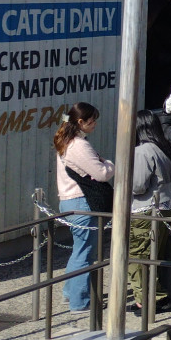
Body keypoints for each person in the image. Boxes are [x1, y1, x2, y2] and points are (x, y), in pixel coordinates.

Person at [55, 102, 114, 314]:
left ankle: (71, 292)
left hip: (70, 200)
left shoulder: (66, 141)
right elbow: (102, 173)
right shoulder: (79, 145)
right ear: (80, 122)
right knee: (85, 252)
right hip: (82, 201)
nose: (95, 124)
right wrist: (109, 164)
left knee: (79, 250)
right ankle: (80, 302)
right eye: (92, 120)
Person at [129, 110, 171, 316]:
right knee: (155, 253)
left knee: (138, 256)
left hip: (145, 209)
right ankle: (154, 296)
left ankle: (149, 299)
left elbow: (137, 186)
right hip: (164, 206)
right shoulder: (164, 147)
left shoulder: (142, 151)